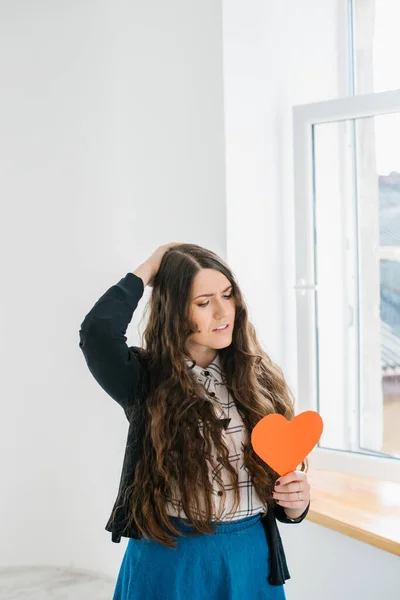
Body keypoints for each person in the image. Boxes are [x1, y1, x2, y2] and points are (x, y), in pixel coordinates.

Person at [79, 243, 311, 600]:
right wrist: (149, 269)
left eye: (228, 295)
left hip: (249, 558)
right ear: (174, 311)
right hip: (169, 560)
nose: (222, 312)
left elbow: (279, 488)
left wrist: (295, 505)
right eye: (203, 303)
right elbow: (96, 333)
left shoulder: (259, 380)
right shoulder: (144, 379)